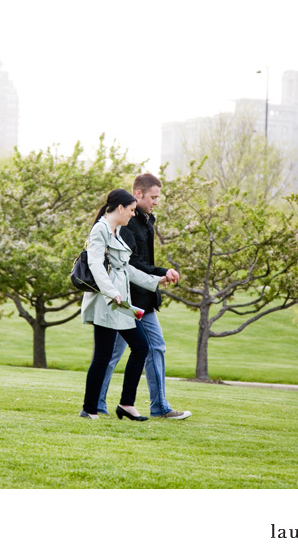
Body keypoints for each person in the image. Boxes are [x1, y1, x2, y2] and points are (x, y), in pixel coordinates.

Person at [98, 174, 192, 419]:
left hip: (145, 300)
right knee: (113, 354)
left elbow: (142, 263)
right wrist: (161, 273)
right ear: (138, 194)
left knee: (156, 347)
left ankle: (160, 407)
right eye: (153, 197)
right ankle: (96, 405)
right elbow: (130, 263)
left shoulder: (147, 220)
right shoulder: (126, 223)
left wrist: (158, 277)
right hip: (127, 300)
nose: (156, 201)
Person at [79, 188, 168, 420]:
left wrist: (155, 280)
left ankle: (126, 404)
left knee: (141, 348)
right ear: (120, 208)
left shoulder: (115, 231)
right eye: (130, 210)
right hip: (108, 304)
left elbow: (125, 268)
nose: (132, 214)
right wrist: (110, 293)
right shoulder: (100, 230)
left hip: (121, 303)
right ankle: (89, 409)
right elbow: (96, 265)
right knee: (103, 355)